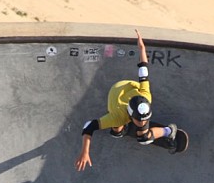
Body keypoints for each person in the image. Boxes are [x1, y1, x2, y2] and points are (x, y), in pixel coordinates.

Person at [75, 29, 178, 171]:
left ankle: (169, 131)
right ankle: (120, 129)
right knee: (116, 131)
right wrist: (85, 152)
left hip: (130, 88)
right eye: (139, 120)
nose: (142, 122)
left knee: (144, 138)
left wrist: (142, 47)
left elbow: (143, 69)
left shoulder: (145, 95)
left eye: (145, 119)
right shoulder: (118, 116)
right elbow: (88, 126)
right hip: (115, 94)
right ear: (130, 115)